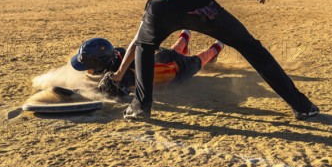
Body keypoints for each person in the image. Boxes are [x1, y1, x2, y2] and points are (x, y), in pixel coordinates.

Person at [109, 0, 319, 121]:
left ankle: (139, 107)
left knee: (145, 47)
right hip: (200, 6)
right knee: (251, 48)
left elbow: (138, 41)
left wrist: (119, 74)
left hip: (159, 7)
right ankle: (301, 106)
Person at [71, 30, 224, 96]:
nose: (88, 70)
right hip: (161, 56)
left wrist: (78, 93)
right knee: (175, 49)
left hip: (173, 70)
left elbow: (113, 93)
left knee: (198, 60)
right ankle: (186, 32)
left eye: (89, 67)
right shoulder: (118, 54)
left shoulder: (126, 76)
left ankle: (219, 44)